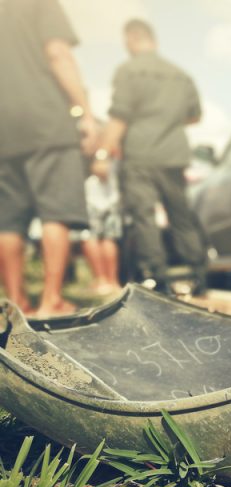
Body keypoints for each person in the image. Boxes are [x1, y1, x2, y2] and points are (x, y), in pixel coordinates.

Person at [92, 19, 207, 294]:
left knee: (144, 217)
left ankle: (156, 279)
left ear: (131, 39)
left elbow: (119, 116)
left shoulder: (128, 70)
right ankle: (198, 276)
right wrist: (166, 122)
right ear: (153, 39)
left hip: (140, 156)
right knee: (181, 216)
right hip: (173, 155)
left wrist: (102, 154)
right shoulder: (180, 74)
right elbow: (194, 115)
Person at [0, 0, 98, 316]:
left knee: (7, 218)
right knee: (56, 209)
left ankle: (16, 303)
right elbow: (58, 54)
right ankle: (51, 300)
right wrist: (85, 112)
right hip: (45, 117)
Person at [82, 139, 123, 296]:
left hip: (93, 203)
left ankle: (103, 280)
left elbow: (101, 166)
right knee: (108, 239)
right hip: (111, 202)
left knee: (92, 238)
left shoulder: (99, 147)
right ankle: (111, 281)